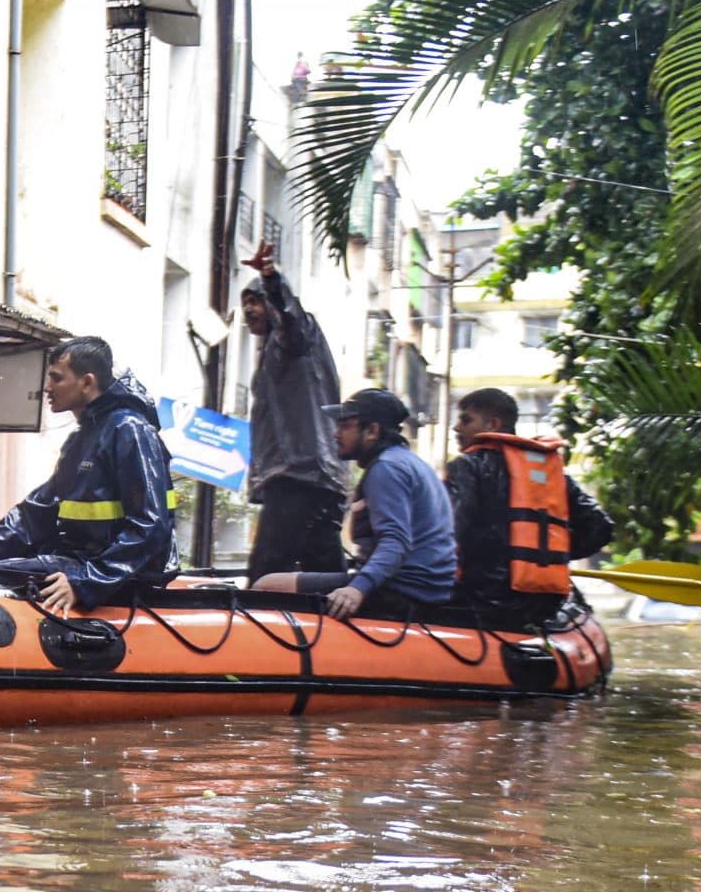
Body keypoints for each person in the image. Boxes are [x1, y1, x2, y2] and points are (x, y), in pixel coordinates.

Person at [0, 336, 176, 615]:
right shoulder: (82, 440)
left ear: (87, 382)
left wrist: (85, 581)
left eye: (56, 379)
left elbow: (151, 526)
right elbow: (32, 516)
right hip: (84, 561)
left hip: (116, 571)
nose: (47, 388)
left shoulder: (129, 430)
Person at [258, 389, 457, 619]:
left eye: (345, 426)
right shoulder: (407, 462)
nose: (335, 434)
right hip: (427, 586)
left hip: (405, 589)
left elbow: (395, 540)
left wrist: (358, 588)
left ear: (372, 431)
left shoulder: (386, 468)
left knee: (267, 585)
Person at [445, 387, 614, 621]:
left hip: (481, 600)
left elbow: (449, 531)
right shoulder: (551, 473)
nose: (457, 428)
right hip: (543, 605)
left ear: (493, 424)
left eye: (466, 420)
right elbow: (601, 527)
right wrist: (549, 555)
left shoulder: (468, 466)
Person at [236, 238, 351, 581]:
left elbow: (292, 322)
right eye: (245, 304)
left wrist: (272, 279)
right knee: (325, 574)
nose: (248, 311)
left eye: (254, 301)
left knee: (264, 576)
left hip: (298, 474)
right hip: (310, 477)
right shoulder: (274, 352)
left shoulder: (296, 339)